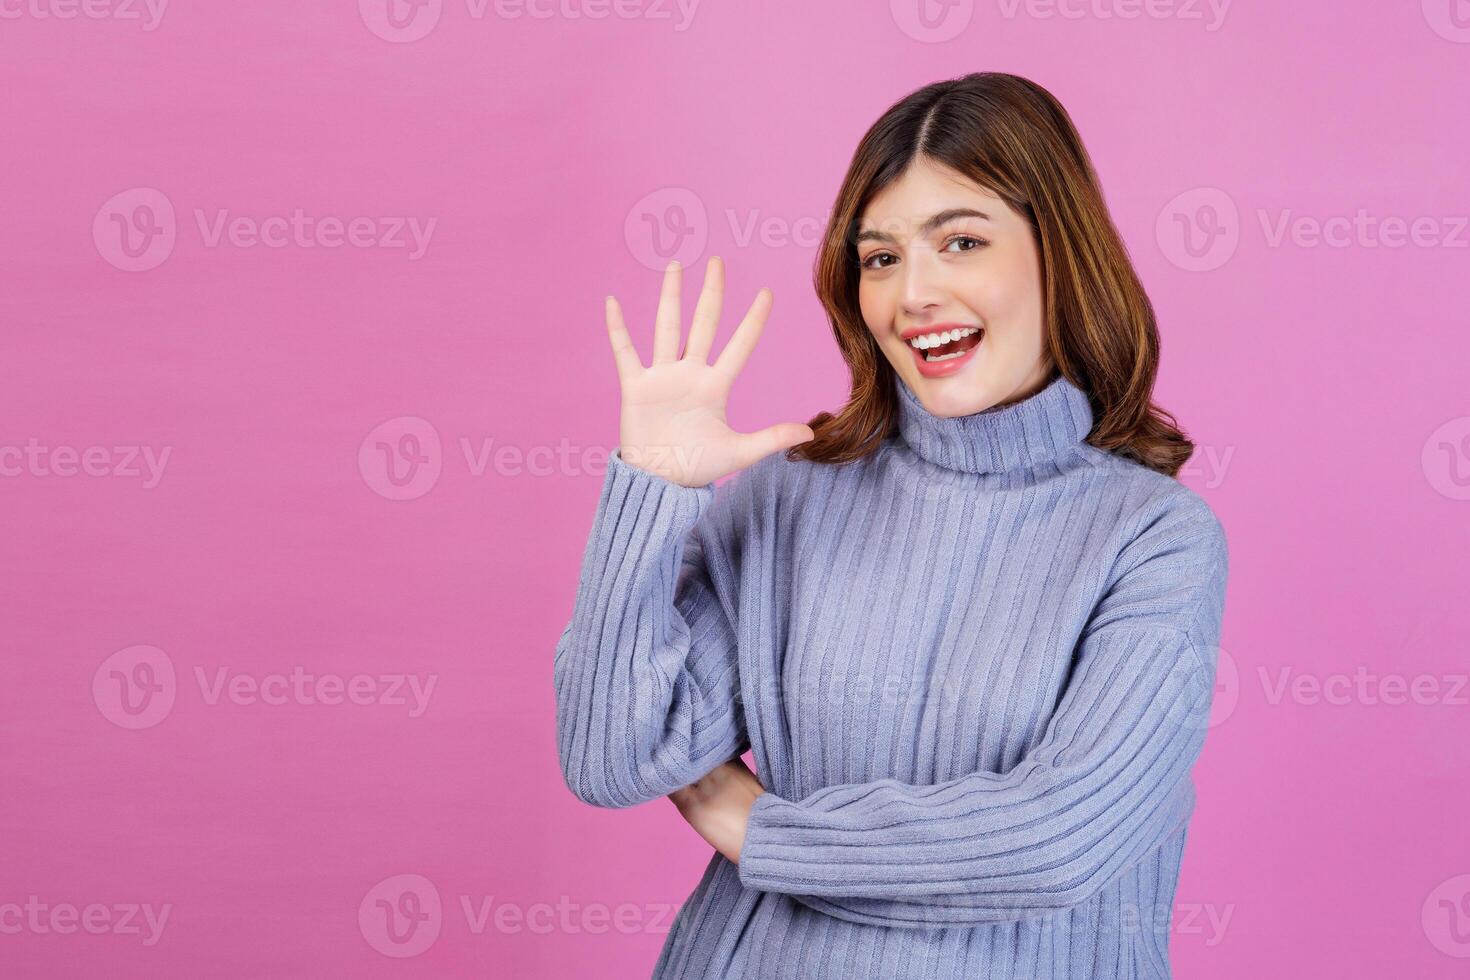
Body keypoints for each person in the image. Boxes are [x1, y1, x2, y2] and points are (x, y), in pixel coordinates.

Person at [553, 71, 1229, 979]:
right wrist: (651, 492)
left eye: (960, 241)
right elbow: (614, 757)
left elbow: (1055, 841)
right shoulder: (793, 494)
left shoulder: (1154, 539)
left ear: (1059, 254)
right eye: (880, 257)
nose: (914, 294)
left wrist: (760, 833)